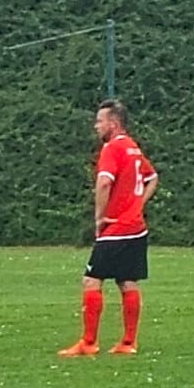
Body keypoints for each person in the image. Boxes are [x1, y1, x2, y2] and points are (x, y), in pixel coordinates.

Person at [58, 100, 158, 357]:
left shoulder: (112, 148)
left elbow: (104, 183)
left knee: (91, 280)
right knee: (127, 281)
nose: (96, 126)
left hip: (116, 227)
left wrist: (99, 218)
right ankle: (128, 343)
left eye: (100, 121)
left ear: (113, 123)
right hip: (136, 227)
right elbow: (152, 177)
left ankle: (88, 342)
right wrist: (137, 204)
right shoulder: (133, 147)